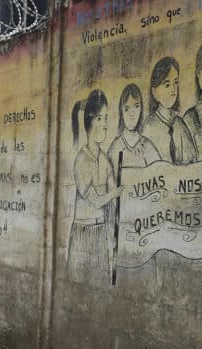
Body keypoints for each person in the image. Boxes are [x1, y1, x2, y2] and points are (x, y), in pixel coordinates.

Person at [68, 90, 122, 284]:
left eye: (106, 118)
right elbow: (97, 200)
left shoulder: (105, 160)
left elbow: (114, 201)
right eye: (100, 118)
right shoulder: (81, 161)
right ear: (90, 121)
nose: (105, 124)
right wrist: (116, 192)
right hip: (83, 234)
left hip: (100, 233)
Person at [142, 57, 198, 164]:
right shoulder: (149, 126)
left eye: (176, 83)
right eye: (167, 85)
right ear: (154, 92)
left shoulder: (180, 124)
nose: (173, 89)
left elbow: (193, 161)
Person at [108, 83, 161, 169]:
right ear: (121, 112)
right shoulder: (115, 148)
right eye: (127, 109)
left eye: (136, 107)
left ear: (141, 110)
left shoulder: (148, 147)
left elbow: (160, 175)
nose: (131, 114)